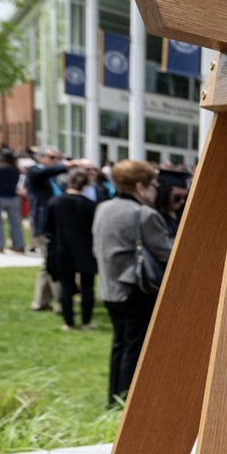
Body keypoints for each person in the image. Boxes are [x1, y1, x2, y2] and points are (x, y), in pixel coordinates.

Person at [92, 160, 173, 405]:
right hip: (135, 289)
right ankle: (127, 401)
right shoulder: (144, 214)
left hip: (109, 288)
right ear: (140, 186)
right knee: (133, 348)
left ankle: (114, 398)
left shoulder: (103, 208)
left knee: (120, 345)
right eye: (153, 185)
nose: (156, 190)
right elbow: (169, 254)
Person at [44, 168, 98, 330]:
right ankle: (86, 322)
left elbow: (48, 228)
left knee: (66, 286)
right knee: (88, 286)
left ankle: (68, 322)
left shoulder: (55, 202)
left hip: (62, 248)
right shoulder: (91, 205)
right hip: (86, 249)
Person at [24, 147, 70, 311]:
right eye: (53, 157)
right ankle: (61, 303)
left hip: (56, 226)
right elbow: (47, 173)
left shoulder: (55, 179)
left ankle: (41, 302)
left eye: (59, 158)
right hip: (44, 226)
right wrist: (69, 164)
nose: (57, 161)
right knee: (53, 264)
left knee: (47, 265)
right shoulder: (34, 172)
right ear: (40, 158)